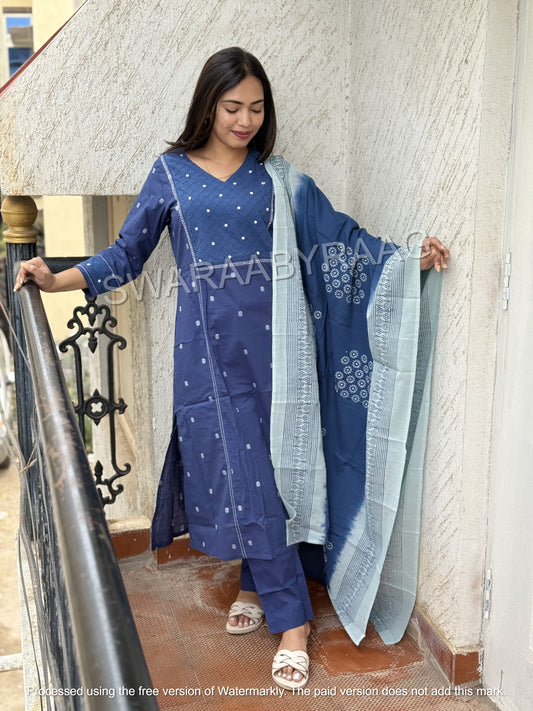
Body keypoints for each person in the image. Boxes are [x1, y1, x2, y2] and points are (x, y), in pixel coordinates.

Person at [14, 47, 449, 690]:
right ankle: (290, 617)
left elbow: (339, 240)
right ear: (208, 106)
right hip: (208, 356)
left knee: (274, 473)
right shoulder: (170, 174)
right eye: (232, 107)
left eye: (257, 108)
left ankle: (265, 595)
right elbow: (127, 254)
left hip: (280, 353)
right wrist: (55, 279)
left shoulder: (278, 180)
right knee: (242, 473)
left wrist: (406, 260)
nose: (245, 121)